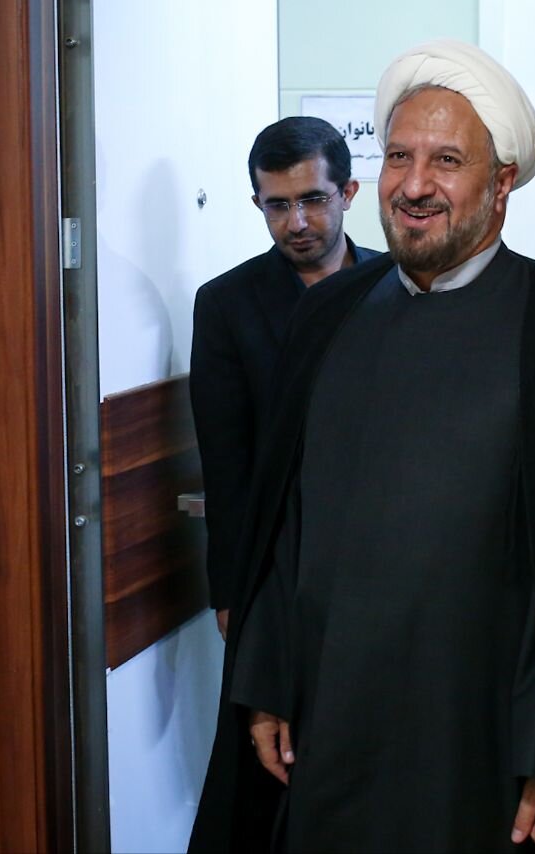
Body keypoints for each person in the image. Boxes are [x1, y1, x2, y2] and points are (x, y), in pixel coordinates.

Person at [191, 40, 535, 854]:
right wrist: (267, 681)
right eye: (399, 157)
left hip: (479, 750)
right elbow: (284, 517)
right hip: (329, 729)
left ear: (501, 183)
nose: (414, 186)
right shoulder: (330, 316)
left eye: (447, 160)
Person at [190, 117, 378, 641]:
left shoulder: (396, 287)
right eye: (277, 205)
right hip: (280, 558)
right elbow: (225, 464)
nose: (296, 222)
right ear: (258, 203)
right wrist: (229, 591)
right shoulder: (227, 304)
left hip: (386, 548)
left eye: (313, 200)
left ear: (348, 193)